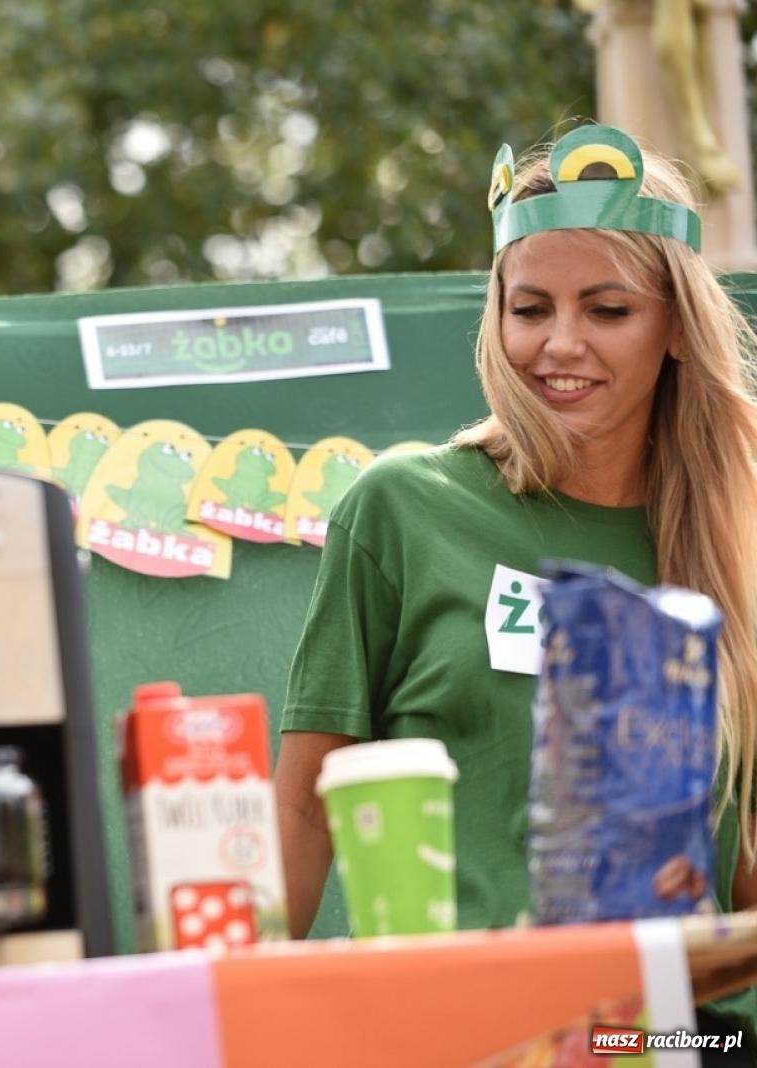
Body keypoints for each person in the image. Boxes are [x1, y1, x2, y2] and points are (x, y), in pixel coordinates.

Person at [272, 124, 757, 1050]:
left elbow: (740, 861)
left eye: (608, 310)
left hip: (681, 1041)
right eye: (530, 308)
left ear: (678, 331)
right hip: (457, 1036)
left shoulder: (740, 539)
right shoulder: (403, 510)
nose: (560, 344)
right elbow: (303, 804)